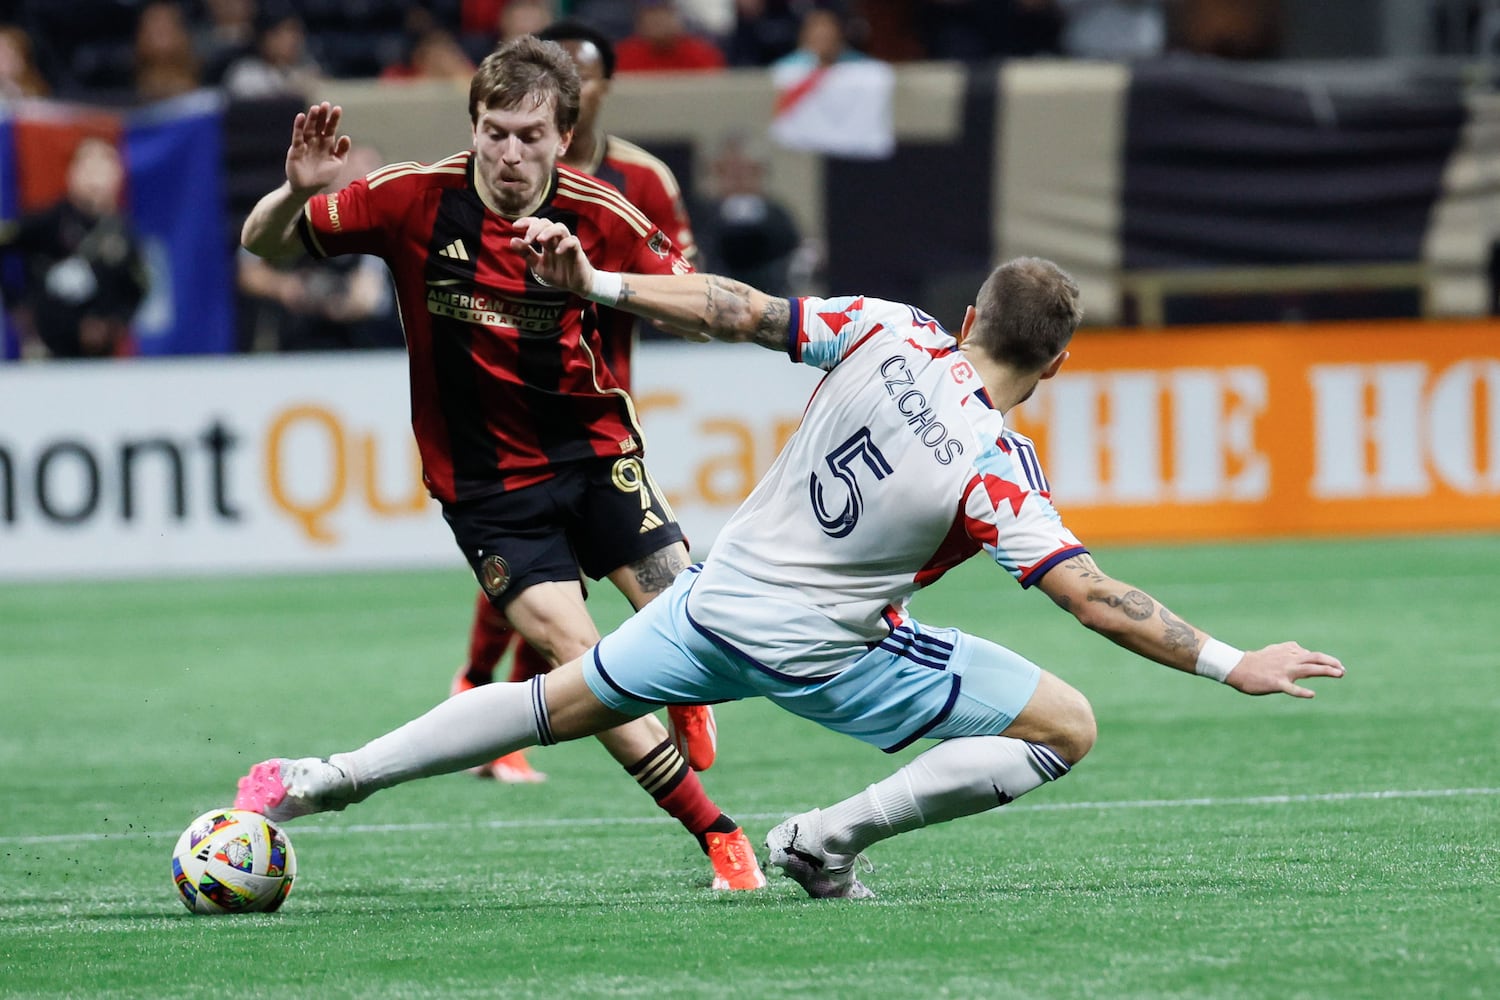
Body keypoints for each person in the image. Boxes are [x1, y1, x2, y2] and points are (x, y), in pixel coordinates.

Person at [232, 222, 1347, 899]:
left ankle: (319, 782)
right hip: (826, 654)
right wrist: (1226, 658)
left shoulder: (892, 327)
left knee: (544, 704)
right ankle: (826, 838)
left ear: (969, 316)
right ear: (1054, 365)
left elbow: (738, 308)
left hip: (713, 601)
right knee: (1065, 726)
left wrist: (602, 287)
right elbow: (1092, 596)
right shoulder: (999, 465)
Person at [232, 35, 765, 891]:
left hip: (596, 453)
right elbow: (267, 247)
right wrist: (293, 195)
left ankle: (687, 678)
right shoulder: (410, 198)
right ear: (473, 127)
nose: (509, 155)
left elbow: (689, 301)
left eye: (529, 136)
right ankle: (719, 836)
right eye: (494, 133)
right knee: (583, 665)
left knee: (704, 627)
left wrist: (605, 285)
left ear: (564, 135)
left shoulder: (607, 214)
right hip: (487, 487)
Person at [451, 19, 705, 784]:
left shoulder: (638, 183)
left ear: (592, 95)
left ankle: (677, 687)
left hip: (598, 402)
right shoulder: (483, 182)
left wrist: (603, 280)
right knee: (545, 582)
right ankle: (480, 695)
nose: (580, 86)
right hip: (508, 424)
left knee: (616, 579)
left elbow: (682, 278)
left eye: (587, 75)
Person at [0, 137, 149, 359]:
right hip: (46, 351)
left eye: (104, 167)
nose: (96, 177)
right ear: (73, 173)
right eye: (88, 166)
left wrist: (112, 324)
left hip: (100, 355)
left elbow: (138, 289)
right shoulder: (49, 221)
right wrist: (17, 305)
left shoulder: (122, 233)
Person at [614, 0, 727, 73]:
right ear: (639, 23)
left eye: (664, 15)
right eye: (652, 17)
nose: (659, 22)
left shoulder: (702, 54)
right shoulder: (623, 55)